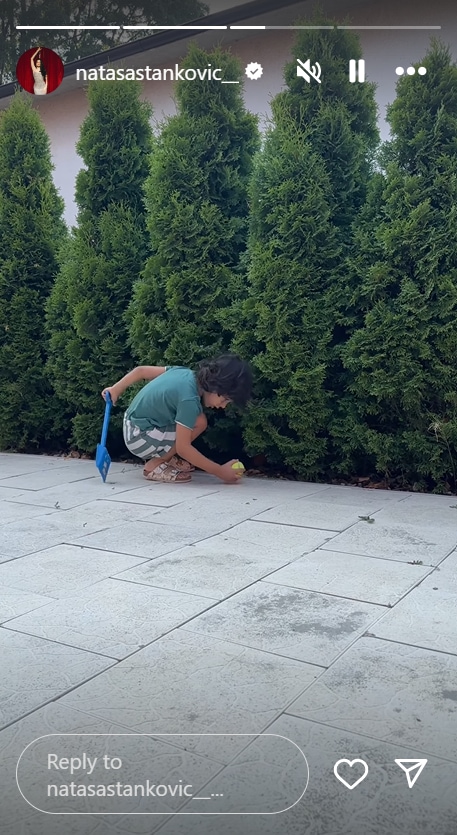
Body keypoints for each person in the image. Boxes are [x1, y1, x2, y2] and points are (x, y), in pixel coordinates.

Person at [101, 354, 252, 484]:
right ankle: (155, 465)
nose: (223, 407)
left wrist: (116, 389)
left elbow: (141, 371)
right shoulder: (189, 400)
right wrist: (220, 472)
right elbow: (183, 448)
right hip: (138, 437)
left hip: (133, 423)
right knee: (198, 424)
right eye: (225, 400)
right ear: (216, 388)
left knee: (199, 421)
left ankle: (164, 456)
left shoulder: (185, 373)